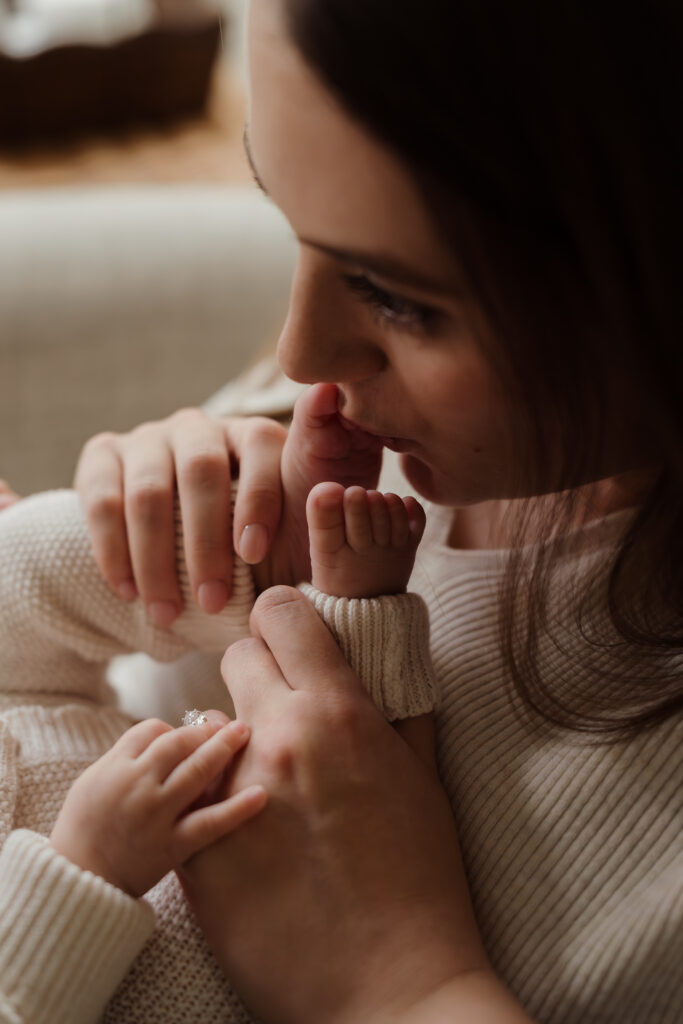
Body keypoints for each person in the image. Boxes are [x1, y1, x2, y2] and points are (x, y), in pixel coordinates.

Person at [70, 1, 683, 1021]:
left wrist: (396, 984)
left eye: (398, 300)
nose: (299, 353)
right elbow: (121, 691)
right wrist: (132, 543)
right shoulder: (370, 421)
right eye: (292, 228)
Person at [0, 383, 437, 1023]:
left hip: (291, 848)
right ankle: (323, 588)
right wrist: (86, 867)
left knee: (335, 760)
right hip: (233, 959)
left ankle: (279, 563)